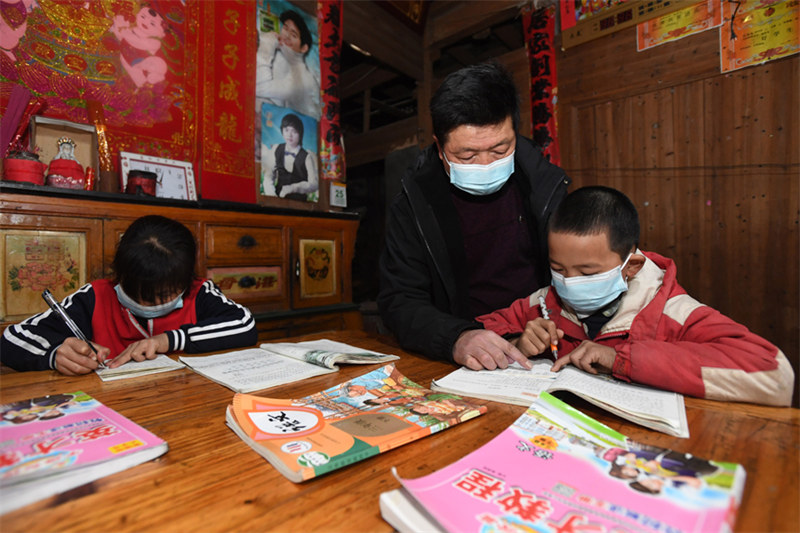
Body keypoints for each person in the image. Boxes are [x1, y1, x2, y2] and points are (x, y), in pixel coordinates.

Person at [477, 186, 794, 406]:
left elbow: (776, 376)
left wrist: (621, 360)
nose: (569, 284)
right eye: (558, 268)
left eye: (588, 273)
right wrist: (516, 343)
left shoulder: (673, 312)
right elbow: (477, 331)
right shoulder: (543, 303)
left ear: (632, 266)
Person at [377, 62, 571, 369]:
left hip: (542, 344)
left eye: (499, 149)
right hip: (467, 353)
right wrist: (456, 337)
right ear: (440, 148)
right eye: (466, 155)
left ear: (514, 133)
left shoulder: (545, 184)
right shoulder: (414, 203)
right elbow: (399, 300)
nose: (484, 164)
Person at [1, 215, 258, 375]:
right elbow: (11, 339)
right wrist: (55, 353)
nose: (149, 304)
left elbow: (244, 325)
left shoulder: (199, 292)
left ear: (186, 280)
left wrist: (166, 341)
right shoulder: (95, 296)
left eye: (164, 294)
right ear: (120, 275)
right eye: (139, 294)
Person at [255, 9, 321, 119]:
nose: (286, 36)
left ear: (303, 48)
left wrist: (268, 43)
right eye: (285, 28)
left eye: (293, 35)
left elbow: (258, 87)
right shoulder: (285, 60)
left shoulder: (301, 79)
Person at [261, 112, 318, 201]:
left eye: (294, 131)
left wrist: (294, 188)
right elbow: (268, 177)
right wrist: (273, 198)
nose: (289, 135)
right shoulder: (276, 149)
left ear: (300, 134)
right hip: (278, 200)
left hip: (299, 204)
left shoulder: (307, 157)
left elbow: (314, 184)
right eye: (286, 130)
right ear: (282, 131)